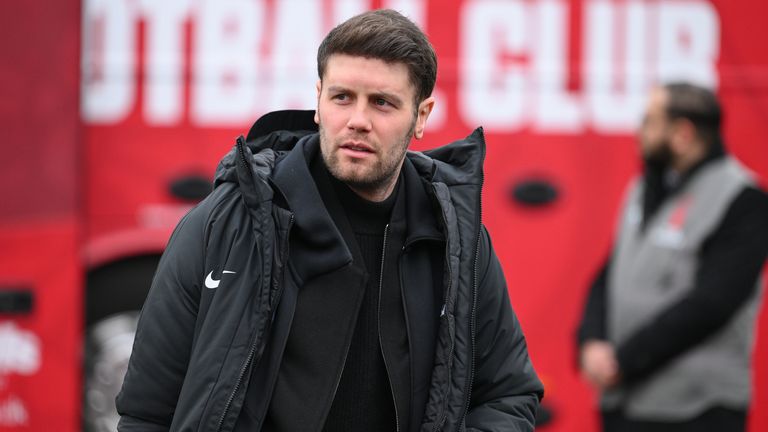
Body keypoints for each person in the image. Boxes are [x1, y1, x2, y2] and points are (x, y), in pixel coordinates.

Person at [116, 9, 543, 432]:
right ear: (318, 101)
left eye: (382, 103)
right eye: (342, 97)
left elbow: (508, 394)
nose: (358, 120)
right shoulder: (229, 224)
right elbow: (147, 412)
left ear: (422, 116)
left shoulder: (454, 239)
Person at [577, 82, 768, 432]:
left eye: (650, 121)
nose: (640, 132)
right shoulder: (643, 189)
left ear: (682, 133)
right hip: (626, 406)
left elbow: (712, 303)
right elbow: (611, 273)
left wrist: (624, 360)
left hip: (697, 411)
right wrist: (589, 341)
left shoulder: (744, 200)